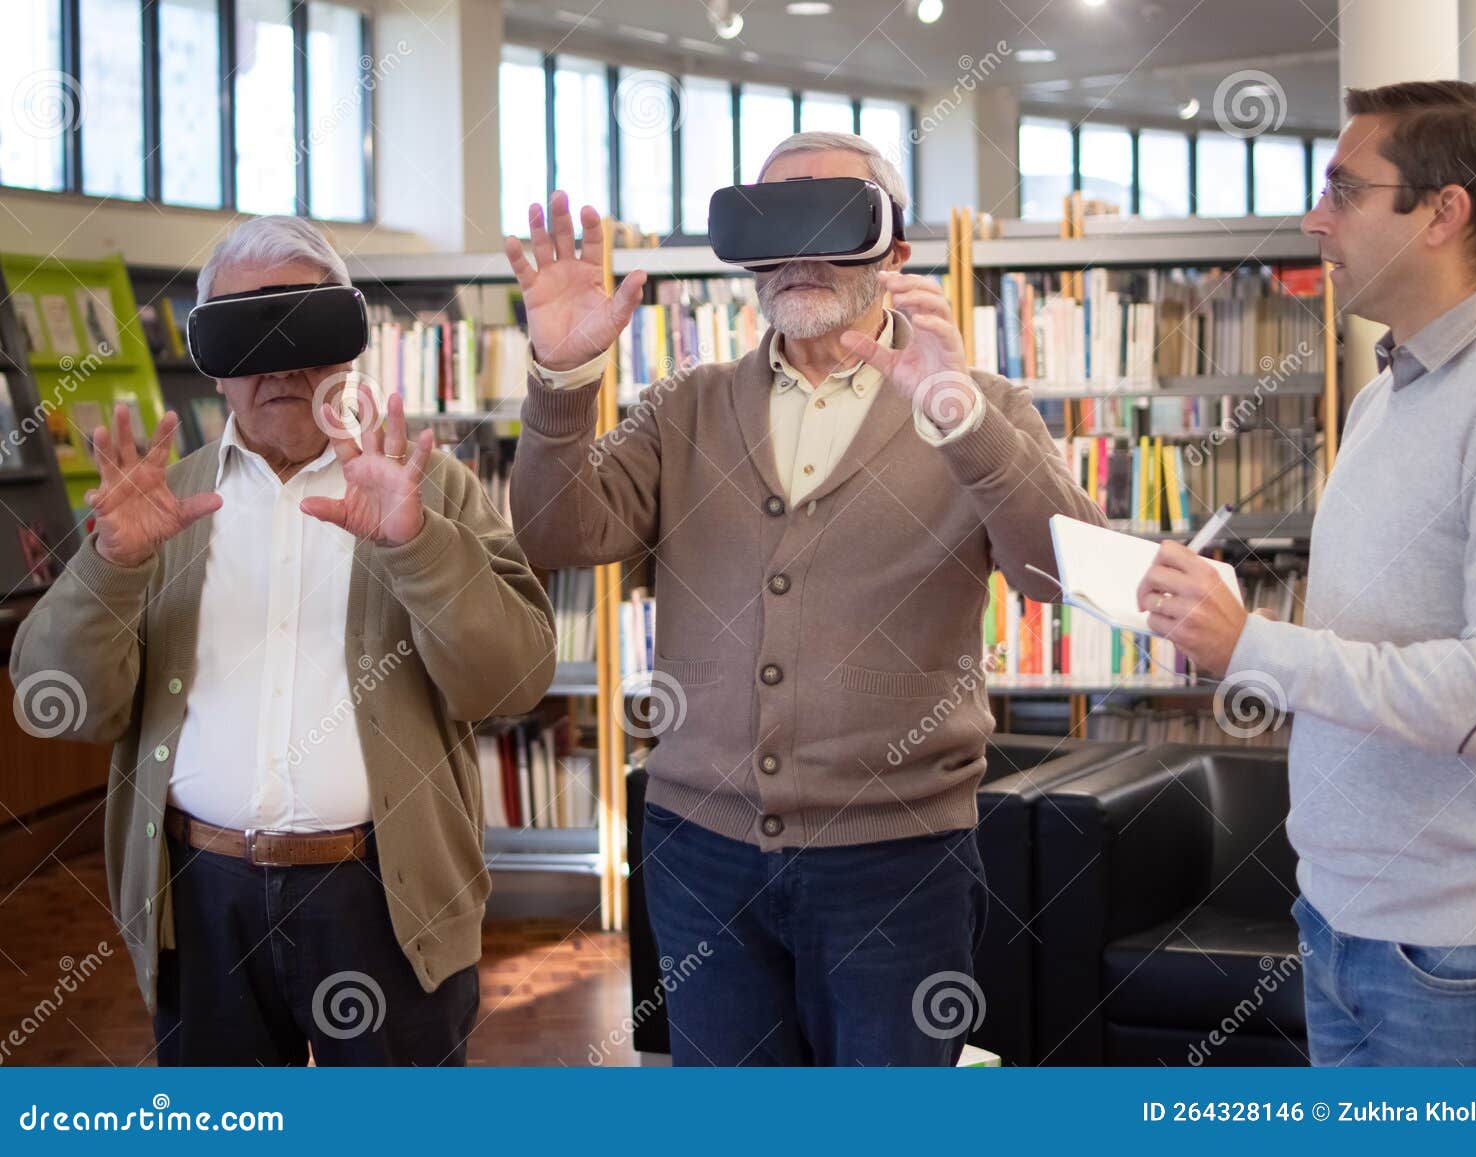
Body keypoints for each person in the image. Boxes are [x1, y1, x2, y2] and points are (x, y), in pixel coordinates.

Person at [507, 131, 1104, 1065]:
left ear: (895, 252)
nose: (796, 252)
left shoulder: (976, 407)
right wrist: (562, 380)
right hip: (700, 853)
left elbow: (1064, 574)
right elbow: (554, 534)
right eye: (771, 222)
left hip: (898, 864)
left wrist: (961, 418)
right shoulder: (686, 407)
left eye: (831, 219)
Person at [10, 216, 559, 1066]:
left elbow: (514, 681)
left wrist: (418, 547)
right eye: (246, 332)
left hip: (386, 898)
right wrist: (111, 569)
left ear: (347, 348)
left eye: (306, 325)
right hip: (199, 902)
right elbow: (60, 706)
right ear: (214, 367)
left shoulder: (431, 488)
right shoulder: (158, 507)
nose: (283, 361)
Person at [1136, 80, 1476, 1066]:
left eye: (1344, 189)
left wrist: (1252, 644)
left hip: (1468, 946)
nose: (1315, 217)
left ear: (1443, 211)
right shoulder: (1386, 394)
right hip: (1346, 916)